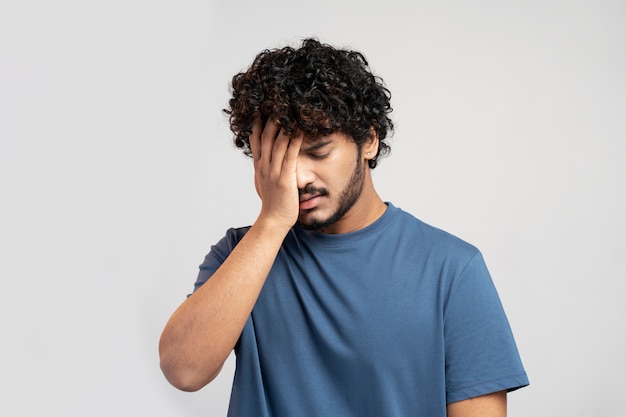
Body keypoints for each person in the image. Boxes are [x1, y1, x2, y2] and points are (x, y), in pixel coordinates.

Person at [159, 38, 528, 417]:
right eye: (276, 160)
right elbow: (183, 370)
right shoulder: (241, 253)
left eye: (317, 152)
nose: (298, 177)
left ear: (368, 140)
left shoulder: (452, 269)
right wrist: (271, 222)